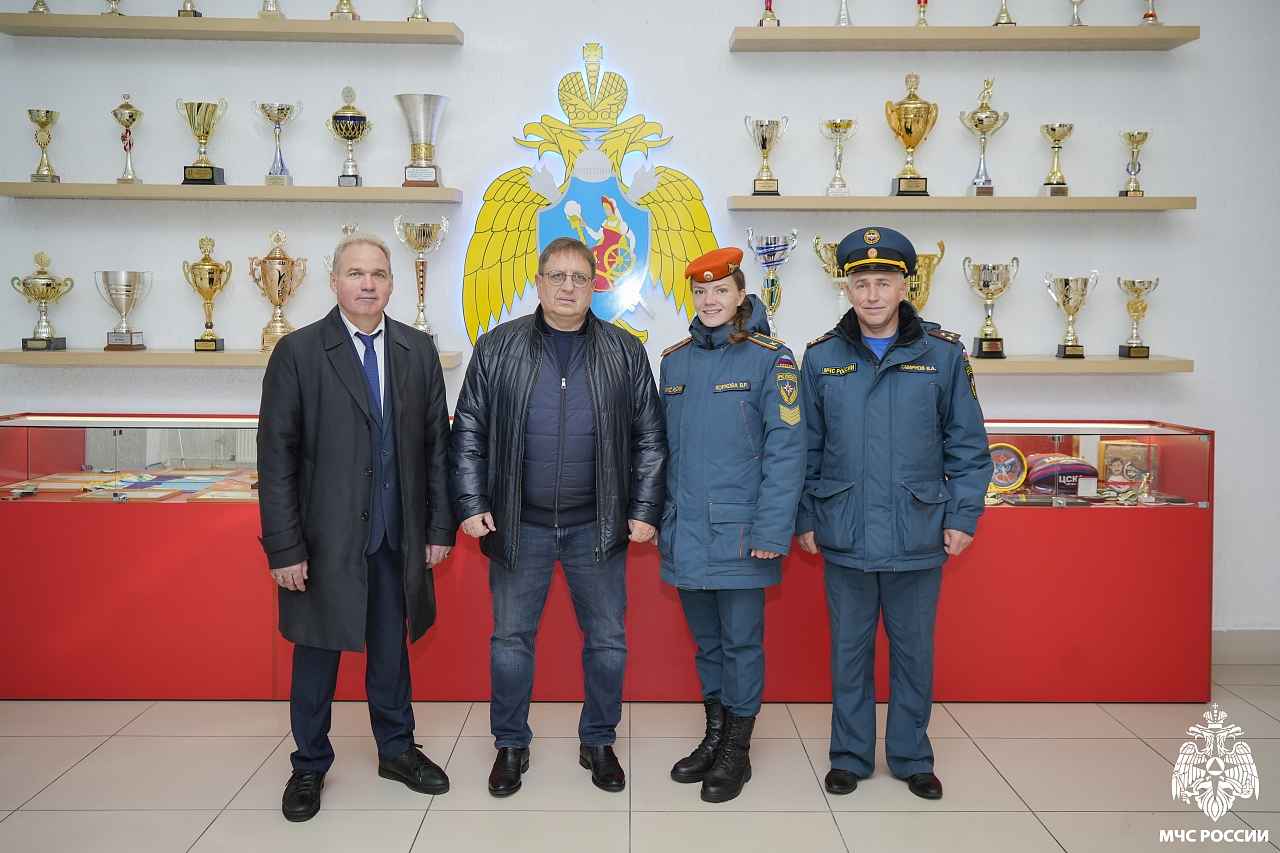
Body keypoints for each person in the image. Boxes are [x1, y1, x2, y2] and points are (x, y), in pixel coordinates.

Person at [449, 236, 666, 797]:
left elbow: (649, 437)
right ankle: (510, 745)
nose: (568, 287)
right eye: (557, 276)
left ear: (594, 285)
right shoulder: (497, 347)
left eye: (579, 277)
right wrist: (471, 503)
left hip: (599, 527)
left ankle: (599, 741)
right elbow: (468, 430)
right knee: (510, 642)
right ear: (539, 283)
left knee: (608, 643)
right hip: (518, 527)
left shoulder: (625, 351)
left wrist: (644, 509)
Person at [258, 230, 455, 822]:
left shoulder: (418, 351)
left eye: (378, 274)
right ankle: (309, 764)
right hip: (323, 543)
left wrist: (438, 529)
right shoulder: (298, 353)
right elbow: (276, 458)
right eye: (355, 273)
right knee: (316, 657)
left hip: (396, 537)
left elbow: (436, 449)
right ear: (334, 281)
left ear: (392, 284)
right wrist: (285, 547)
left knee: (391, 653)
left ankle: (397, 750)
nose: (367, 284)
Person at [795, 227, 992, 801]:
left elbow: (967, 446)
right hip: (846, 530)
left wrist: (963, 516)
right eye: (861, 283)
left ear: (906, 286)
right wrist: (805, 516)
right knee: (848, 652)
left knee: (913, 653)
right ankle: (850, 756)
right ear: (846, 288)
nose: (873, 294)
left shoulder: (943, 356)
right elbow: (805, 448)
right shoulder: (821, 358)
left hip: (917, 531)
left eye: (884, 282)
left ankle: (911, 757)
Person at [657, 247, 805, 803]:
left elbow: (787, 451)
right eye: (700, 292)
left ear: (741, 294)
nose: (710, 300)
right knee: (708, 645)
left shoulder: (772, 360)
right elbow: (661, 450)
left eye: (721, 290)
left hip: (742, 535)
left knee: (741, 644)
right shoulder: (674, 363)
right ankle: (715, 736)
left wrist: (772, 531)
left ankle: (737, 750)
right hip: (686, 533)